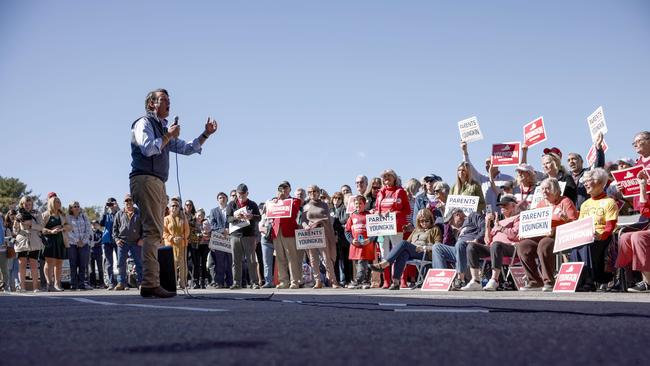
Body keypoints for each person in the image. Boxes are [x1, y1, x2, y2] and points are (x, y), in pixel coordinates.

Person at [129, 88, 218, 298]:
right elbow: (148, 148)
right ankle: (150, 283)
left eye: (170, 100)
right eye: (164, 100)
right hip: (146, 178)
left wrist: (205, 134)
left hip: (157, 181)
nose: (169, 103)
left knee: (155, 233)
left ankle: (151, 282)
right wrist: (168, 135)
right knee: (152, 232)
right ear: (152, 104)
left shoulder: (163, 128)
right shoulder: (144, 123)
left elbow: (187, 148)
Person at [517, 178, 579, 291]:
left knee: (544, 244)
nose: (544, 191)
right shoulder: (541, 204)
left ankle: (549, 281)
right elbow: (534, 223)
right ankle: (534, 281)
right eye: (542, 189)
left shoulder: (565, 201)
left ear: (556, 190)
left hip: (559, 235)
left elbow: (573, 222)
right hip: (541, 234)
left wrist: (559, 225)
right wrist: (524, 232)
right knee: (523, 246)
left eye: (547, 188)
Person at [370, 208, 442, 290]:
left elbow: (438, 246)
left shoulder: (435, 229)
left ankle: (385, 263)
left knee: (403, 243)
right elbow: (408, 242)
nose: (424, 223)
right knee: (403, 253)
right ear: (418, 221)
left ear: (431, 220)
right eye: (422, 221)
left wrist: (423, 248)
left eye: (426, 221)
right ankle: (396, 282)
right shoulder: (416, 230)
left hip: (425, 253)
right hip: (414, 251)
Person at [571, 168, 618, 291]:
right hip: (586, 236)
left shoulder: (609, 202)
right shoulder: (585, 204)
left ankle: (589, 281)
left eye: (588, 181)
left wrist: (600, 235)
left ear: (599, 182)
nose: (585, 184)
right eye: (584, 181)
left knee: (587, 244)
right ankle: (577, 280)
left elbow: (610, 226)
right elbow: (580, 225)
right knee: (575, 245)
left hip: (603, 237)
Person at [462, 195, 521, 291]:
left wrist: (501, 228)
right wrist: (488, 224)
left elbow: (514, 234)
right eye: (501, 206)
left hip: (511, 248)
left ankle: (494, 279)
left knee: (496, 245)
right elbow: (487, 240)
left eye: (505, 206)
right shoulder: (500, 221)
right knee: (471, 246)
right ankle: (475, 280)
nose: (502, 208)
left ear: (513, 206)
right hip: (494, 247)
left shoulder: (518, 218)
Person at [616, 131, 650, 292]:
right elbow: (635, 204)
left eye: (639, 141)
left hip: (647, 211)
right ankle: (627, 280)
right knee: (624, 236)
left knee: (637, 236)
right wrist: (625, 193)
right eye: (633, 142)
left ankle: (647, 281)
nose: (635, 144)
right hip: (644, 212)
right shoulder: (637, 164)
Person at [375, 169, 411, 288]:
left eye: (389, 176)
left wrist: (395, 213)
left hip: (396, 226)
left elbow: (407, 210)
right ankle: (386, 281)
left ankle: (402, 280)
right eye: (384, 176)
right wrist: (375, 213)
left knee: (398, 252)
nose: (387, 178)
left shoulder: (400, 191)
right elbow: (377, 208)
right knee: (384, 253)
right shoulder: (380, 192)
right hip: (382, 227)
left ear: (394, 178)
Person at [301, 185, 340, 289]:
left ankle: (333, 280)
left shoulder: (324, 205)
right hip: (310, 236)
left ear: (318, 192)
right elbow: (303, 220)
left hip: (322, 234)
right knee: (313, 259)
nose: (312, 193)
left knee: (326, 258)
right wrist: (305, 226)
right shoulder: (306, 206)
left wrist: (316, 223)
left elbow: (326, 217)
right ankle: (318, 281)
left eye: (314, 191)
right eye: (310, 192)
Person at [461, 141, 514, 212]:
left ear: (497, 164)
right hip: (487, 217)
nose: (487, 165)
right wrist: (465, 152)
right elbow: (469, 167)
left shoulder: (508, 179)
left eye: (489, 162)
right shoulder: (483, 179)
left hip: (503, 216)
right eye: (486, 163)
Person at [226, 184, 261, 290]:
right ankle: (236, 283)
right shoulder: (231, 204)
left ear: (247, 193)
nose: (241, 195)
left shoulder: (252, 204)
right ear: (236, 193)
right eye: (239, 193)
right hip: (235, 236)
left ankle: (254, 282)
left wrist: (251, 216)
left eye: (243, 193)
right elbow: (228, 218)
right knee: (236, 261)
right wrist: (235, 217)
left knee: (251, 260)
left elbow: (259, 217)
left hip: (248, 236)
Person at [271, 181, 303, 289]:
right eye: (281, 188)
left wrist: (283, 200)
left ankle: (294, 281)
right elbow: (270, 215)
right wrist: (276, 202)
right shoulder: (274, 201)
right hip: (276, 231)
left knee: (292, 257)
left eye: (285, 188)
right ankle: (284, 281)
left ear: (289, 189)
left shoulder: (294, 201)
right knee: (280, 257)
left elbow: (293, 213)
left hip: (288, 231)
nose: (283, 190)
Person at [112, 194, 144, 290]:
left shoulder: (139, 213)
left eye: (130, 200)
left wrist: (142, 239)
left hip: (136, 242)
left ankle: (140, 283)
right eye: (126, 201)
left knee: (139, 263)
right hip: (122, 242)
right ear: (124, 202)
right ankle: (121, 283)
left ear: (133, 202)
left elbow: (144, 227)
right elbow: (114, 229)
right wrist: (117, 240)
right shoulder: (119, 214)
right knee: (121, 263)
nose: (128, 203)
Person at [567, 133, 606, 209]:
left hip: (588, 210)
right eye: (568, 160)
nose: (571, 162)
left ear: (581, 161)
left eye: (573, 159)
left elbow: (599, 165)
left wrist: (598, 148)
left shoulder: (588, 172)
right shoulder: (566, 177)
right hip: (571, 215)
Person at [344, 195, 376, 289]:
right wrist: (351, 240)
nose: (358, 205)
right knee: (359, 263)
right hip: (356, 244)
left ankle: (358, 281)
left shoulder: (369, 216)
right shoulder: (352, 216)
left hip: (366, 244)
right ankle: (365, 282)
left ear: (364, 204)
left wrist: (369, 240)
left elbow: (375, 230)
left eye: (360, 204)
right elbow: (347, 231)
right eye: (356, 204)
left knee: (363, 261)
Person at [13, 197, 44, 293]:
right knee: (21, 264)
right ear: (22, 204)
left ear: (32, 204)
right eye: (25, 204)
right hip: (22, 242)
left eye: (29, 204)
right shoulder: (18, 215)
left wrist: (30, 225)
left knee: (34, 264)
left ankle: (35, 287)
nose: (27, 206)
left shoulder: (37, 213)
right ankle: (22, 287)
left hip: (34, 242)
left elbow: (41, 227)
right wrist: (17, 223)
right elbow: (15, 231)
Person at [42, 196, 71, 292]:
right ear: (51, 203)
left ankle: (57, 284)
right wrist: (51, 231)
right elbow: (40, 229)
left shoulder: (63, 215)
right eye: (56, 202)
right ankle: (48, 284)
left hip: (61, 241)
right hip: (49, 241)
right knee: (49, 262)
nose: (59, 203)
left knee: (59, 263)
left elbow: (70, 227)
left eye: (59, 201)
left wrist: (62, 228)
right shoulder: (45, 215)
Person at [163, 198, 190, 289]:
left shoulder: (183, 218)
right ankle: (172, 283)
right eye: (172, 206)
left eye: (176, 206)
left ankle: (183, 283)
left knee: (183, 265)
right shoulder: (166, 219)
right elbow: (164, 232)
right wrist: (172, 238)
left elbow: (187, 231)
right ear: (169, 208)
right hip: (170, 245)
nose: (174, 207)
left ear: (179, 208)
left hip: (182, 244)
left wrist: (182, 237)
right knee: (172, 265)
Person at [67, 201, 93, 290]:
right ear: (71, 208)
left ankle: (82, 284)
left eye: (78, 206)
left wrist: (83, 241)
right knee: (73, 264)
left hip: (84, 244)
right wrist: (77, 241)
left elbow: (88, 229)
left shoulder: (84, 216)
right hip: (72, 244)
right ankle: (73, 284)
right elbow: (68, 231)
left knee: (83, 264)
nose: (77, 207)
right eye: (75, 206)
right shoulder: (68, 218)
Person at [210, 192, 233, 288]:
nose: (222, 199)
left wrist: (228, 230)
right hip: (219, 239)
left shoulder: (231, 210)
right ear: (217, 200)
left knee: (230, 261)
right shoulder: (213, 211)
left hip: (230, 238)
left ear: (227, 199)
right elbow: (212, 225)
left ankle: (230, 282)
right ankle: (219, 282)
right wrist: (222, 230)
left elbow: (235, 221)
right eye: (220, 198)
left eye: (224, 197)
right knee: (219, 262)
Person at [331, 191, 352, 286]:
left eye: (339, 198)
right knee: (335, 260)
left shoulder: (344, 209)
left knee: (346, 260)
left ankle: (348, 280)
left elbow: (345, 222)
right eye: (334, 198)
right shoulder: (330, 210)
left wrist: (339, 226)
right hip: (333, 239)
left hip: (344, 239)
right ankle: (337, 280)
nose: (336, 200)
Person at [99, 197, 119, 290]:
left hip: (117, 240)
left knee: (120, 262)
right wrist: (104, 211)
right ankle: (111, 283)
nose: (110, 206)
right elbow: (101, 223)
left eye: (112, 204)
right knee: (109, 263)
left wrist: (117, 209)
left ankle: (121, 282)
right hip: (107, 240)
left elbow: (121, 222)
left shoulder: (119, 213)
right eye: (108, 204)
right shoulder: (106, 214)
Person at [191, 208, 211, 289]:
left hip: (204, 245)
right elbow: (191, 234)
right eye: (199, 215)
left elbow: (209, 233)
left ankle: (203, 282)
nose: (200, 217)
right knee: (196, 264)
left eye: (202, 215)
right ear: (195, 215)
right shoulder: (192, 223)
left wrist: (205, 234)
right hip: (195, 245)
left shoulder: (206, 223)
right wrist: (200, 235)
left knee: (203, 263)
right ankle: (196, 282)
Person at [258, 202, 275, 288]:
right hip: (266, 240)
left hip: (277, 239)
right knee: (267, 262)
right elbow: (260, 227)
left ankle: (283, 281)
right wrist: (268, 230)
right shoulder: (264, 216)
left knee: (281, 261)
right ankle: (268, 282)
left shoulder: (278, 215)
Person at [89, 220, 104, 288]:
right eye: (92, 224)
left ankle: (101, 283)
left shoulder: (101, 233)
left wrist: (93, 243)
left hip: (98, 252)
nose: (94, 225)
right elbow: (88, 241)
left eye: (95, 224)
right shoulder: (89, 233)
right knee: (92, 269)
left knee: (100, 268)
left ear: (98, 225)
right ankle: (93, 283)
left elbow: (99, 241)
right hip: (91, 252)